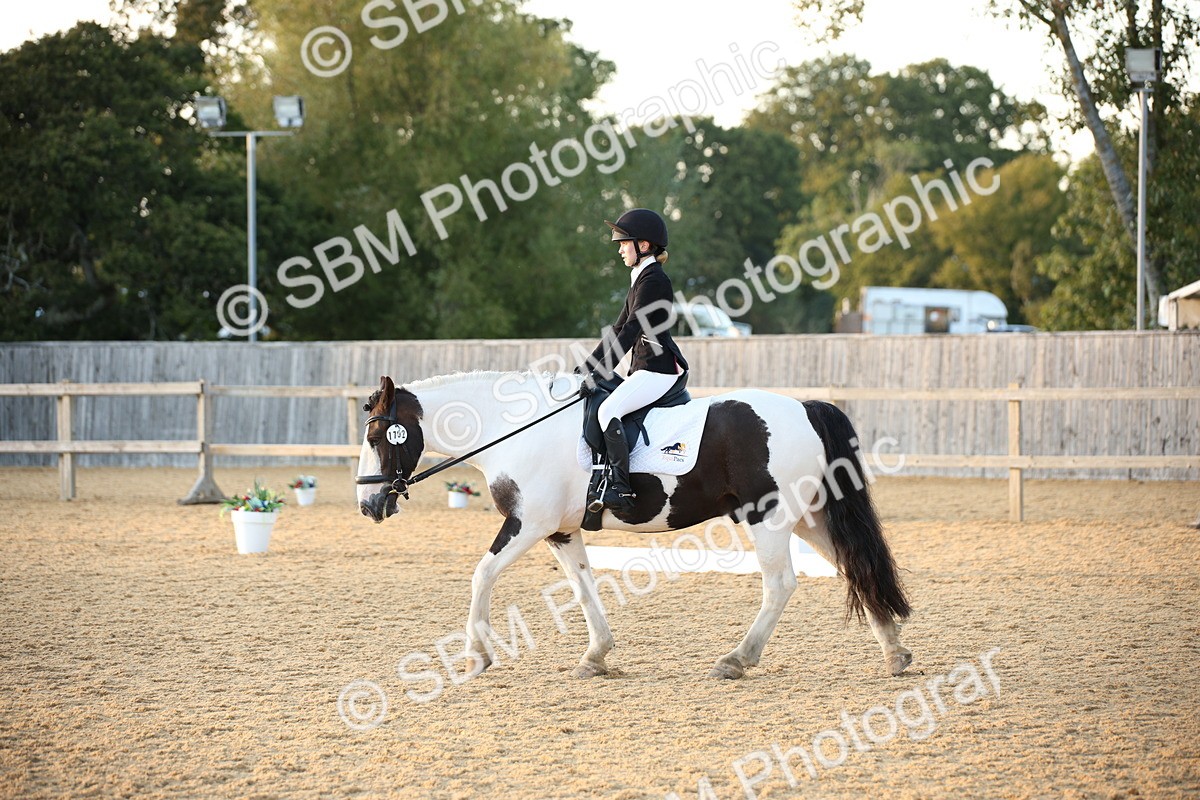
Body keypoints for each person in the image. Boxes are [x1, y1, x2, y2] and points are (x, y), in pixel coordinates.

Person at [576, 208, 689, 510]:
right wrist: (587, 368)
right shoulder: (641, 278)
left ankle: (620, 488)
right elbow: (617, 329)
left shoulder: (654, 281)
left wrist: (598, 371)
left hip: (657, 369)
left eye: (624, 243)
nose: (620, 249)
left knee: (608, 410)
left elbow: (631, 331)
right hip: (643, 368)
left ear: (644, 245)